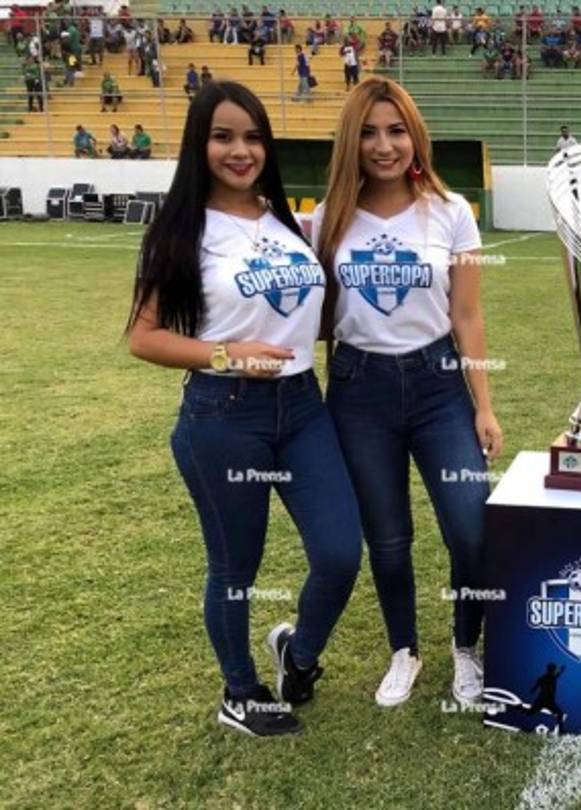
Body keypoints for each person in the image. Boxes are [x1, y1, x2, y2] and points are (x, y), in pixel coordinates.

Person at [125, 81, 364, 737]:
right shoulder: (183, 229)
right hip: (223, 416)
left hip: (303, 407)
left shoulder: (283, 218)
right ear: (199, 143)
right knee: (235, 568)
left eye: (253, 136)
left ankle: (299, 653)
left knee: (341, 552)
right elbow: (143, 336)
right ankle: (240, 691)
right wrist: (224, 355)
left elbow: (307, 310)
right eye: (223, 136)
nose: (241, 150)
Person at [313, 76, 504, 709]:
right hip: (357, 390)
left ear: (414, 135)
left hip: (438, 386)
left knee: (471, 529)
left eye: (396, 130)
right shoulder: (327, 218)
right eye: (368, 132)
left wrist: (483, 405)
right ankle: (404, 649)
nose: (383, 145)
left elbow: (468, 317)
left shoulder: (451, 212)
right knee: (388, 537)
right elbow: (312, 317)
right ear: (352, 140)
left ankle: (466, 648)